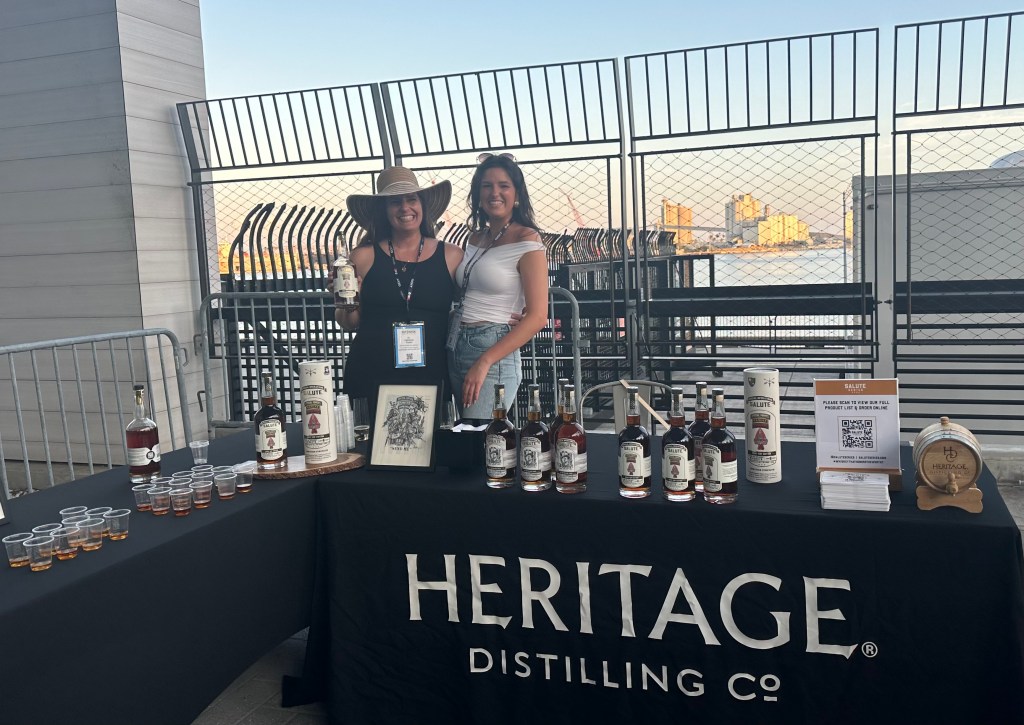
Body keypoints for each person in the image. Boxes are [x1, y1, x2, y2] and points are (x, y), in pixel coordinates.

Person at [333, 166, 463, 410]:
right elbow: (349, 322)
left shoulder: (453, 256)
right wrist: (347, 302)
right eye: (395, 202)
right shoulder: (362, 257)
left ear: (422, 205)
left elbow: (476, 303)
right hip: (372, 373)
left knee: (432, 446)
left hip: (431, 373)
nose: (405, 208)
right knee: (368, 446)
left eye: (411, 199)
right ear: (384, 210)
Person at [448, 153, 549, 422]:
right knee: (464, 437)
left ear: (516, 194)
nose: (495, 192)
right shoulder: (475, 237)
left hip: (491, 350)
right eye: (487, 186)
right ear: (477, 194)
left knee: (482, 438)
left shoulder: (527, 239)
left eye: (503, 185)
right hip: (456, 343)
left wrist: (484, 361)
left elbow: (539, 317)